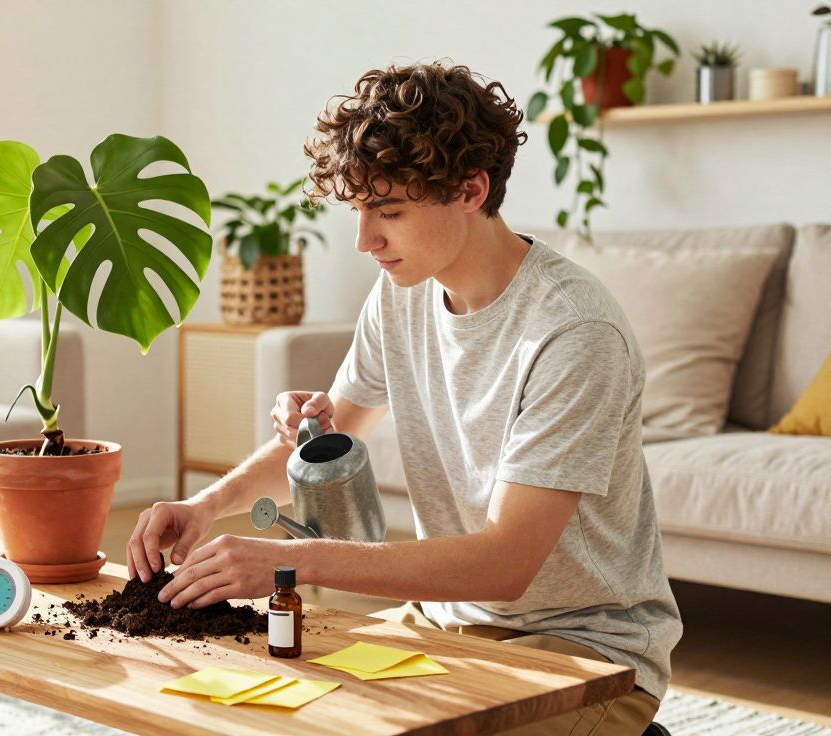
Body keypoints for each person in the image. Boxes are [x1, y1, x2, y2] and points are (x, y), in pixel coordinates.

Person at [126, 61, 682, 735]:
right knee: (261, 709)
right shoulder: (401, 294)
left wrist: (288, 562)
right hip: (440, 625)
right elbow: (324, 440)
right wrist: (204, 505)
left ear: (471, 189)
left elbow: (506, 562)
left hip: (583, 650)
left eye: (388, 211)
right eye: (359, 211)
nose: (365, 240)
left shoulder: (572, 329)